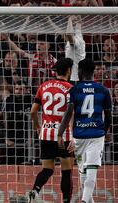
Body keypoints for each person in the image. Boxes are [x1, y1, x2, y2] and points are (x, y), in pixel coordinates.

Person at [57, 58, 112, 203]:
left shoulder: (74, 90)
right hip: (96, 134)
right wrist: (103, 132)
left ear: (79, 71)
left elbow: (69, 113)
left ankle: (85, 201)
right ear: (94, 72)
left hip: (79, 135)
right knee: (90, 170)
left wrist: (60, 133)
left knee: (83, 171)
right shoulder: (104, 90)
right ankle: (87, 201)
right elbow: (109, 116)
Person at [29, 58, 75, 203]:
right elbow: (72, 113)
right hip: (64, 135)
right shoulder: (71, 88)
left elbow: (32, 112)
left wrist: (38, 127)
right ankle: (66, 200)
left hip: (46, 133)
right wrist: (73, 135)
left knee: (47, 169)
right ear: (68, 71)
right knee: (66, 171)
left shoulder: (44, 86)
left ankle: (35, 191)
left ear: (55, 71)